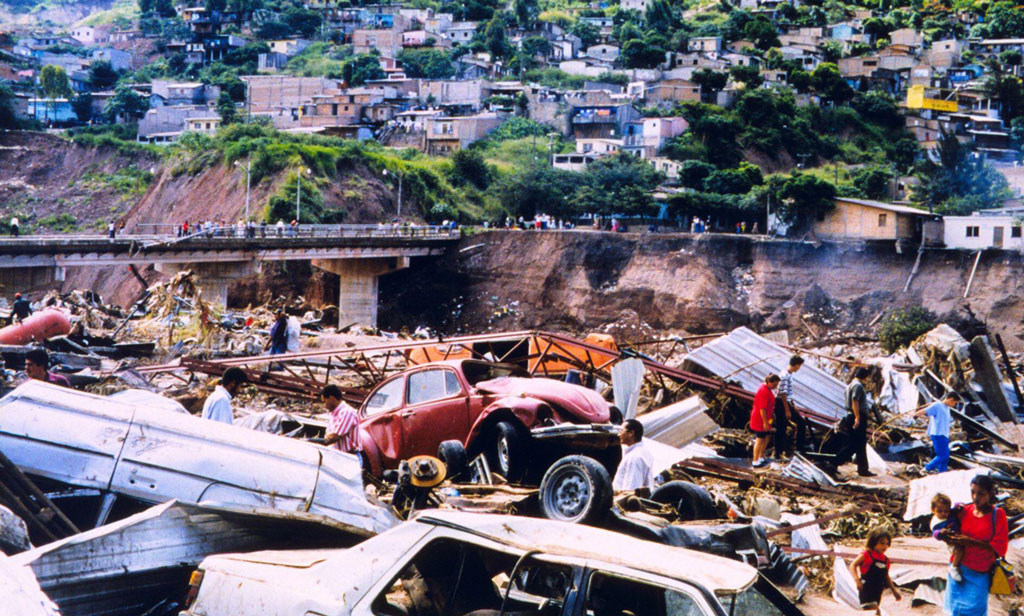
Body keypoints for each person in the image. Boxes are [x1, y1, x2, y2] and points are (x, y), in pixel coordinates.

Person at [942, 474, 1008, 616]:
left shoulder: (998, 515)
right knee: (954, 610)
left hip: (980, 573)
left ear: (990, 494)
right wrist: (947, 535)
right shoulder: (964, 511)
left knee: (974, 611)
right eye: (972, 492)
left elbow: (1000, 547)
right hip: (958, 570)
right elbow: (947, 526)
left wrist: (971, 542)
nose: (975, 497)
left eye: (981, 494)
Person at [849, 527, 901, 613]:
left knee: (874, 611)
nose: (885, 546)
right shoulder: (866, 555)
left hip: (877, 592)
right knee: (875, 611)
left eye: (887, 544)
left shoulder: (885, 560)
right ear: (873, 542)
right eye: (882, 543)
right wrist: (857, 580)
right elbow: (853, 565)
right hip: (866, 589)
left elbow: (886, 576)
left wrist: (894, 591)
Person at [836, 366, 874, 477]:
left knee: (858, 444)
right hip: (856, 417)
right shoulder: (858, 386)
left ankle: (862, 469)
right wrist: (857, 417)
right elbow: (855, 401)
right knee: (856, 444)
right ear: (864, 377)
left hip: (851, 416)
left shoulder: (850, 385)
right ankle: (836, 461)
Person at [774, 355, 808, 458]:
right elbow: (782, 393)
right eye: (799, 366)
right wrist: (787, 409)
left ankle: (780, 451)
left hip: (784, 403)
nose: (799, 368)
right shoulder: (785, 375)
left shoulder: (787, 374)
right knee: (799, 424)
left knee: (782, 427)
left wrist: (792, 405)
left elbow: (787, 393)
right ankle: (797, 449)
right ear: (796, 365)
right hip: (781, 403)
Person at [921, 392, 959, 473]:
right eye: (954, 403)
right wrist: (915, 415)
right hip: (937, 434)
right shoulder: (937, 405)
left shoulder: (947, 408)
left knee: (946, 457)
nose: (954, 405)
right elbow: (925, 411)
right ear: (951, 399)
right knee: (942, 456)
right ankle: (927, 468)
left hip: (944, 435)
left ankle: (942, 473)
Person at [931, 493, 965, 582]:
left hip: (960, 535)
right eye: (939, 511)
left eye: (946, 511)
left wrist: (959, 505)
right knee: (959, 551)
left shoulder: (951, 513)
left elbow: (956, 507)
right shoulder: (936, 522)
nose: (943, 514)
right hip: (951, 541)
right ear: (933, 510)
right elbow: (935, 534)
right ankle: (953, 568)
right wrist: (940, 533)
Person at [612, 419, 654, 492]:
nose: (619, 434)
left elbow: (631, 489)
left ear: (631, 433)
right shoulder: (642, 452)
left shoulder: (634, 457)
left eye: (621, 431)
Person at [321, 384, 362, 457]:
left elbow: (334, 436)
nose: (324, 406)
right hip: (338, 455)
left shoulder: (347, 412)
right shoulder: (333, 414)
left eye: (324, 402)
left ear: (331, 398)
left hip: (350, 457)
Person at [750, 373, 780, 468]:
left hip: (768, 417)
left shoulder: (767, 388)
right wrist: (765, 422)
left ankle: (760, 456)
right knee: (760, 439)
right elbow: (762, 409)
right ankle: (755, 461)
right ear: (768, 382)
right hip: (760, 418)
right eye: (774, 385)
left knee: (767, 436)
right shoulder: (764, 391)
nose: (775, 387)